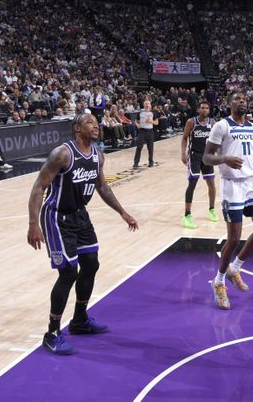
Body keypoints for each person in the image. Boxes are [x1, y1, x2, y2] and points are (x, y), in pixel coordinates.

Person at [27, 113, 139, 355]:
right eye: (89, 122)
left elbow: (102, 186)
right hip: (56, 216)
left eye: (96, 122)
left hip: (80, 215)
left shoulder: (98, 155)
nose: (96, 125)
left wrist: (123, 212)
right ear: (77, 128)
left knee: (91, 263)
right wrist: (33, 224)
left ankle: (79, 320)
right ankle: (53, 332)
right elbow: (39, 186)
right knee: (68, 273)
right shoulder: (63, 154)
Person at [203, 91, 253, 310]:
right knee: (233, 239)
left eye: (244, 99)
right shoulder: (221, 126)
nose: (242, 101)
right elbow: (206, 157)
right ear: (229, 103)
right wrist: (224, 158)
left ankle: (235, 267)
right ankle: (219, 281)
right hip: (232, 186)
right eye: (237, 99)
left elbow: (251, 155)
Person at [181, 100, 219, 228]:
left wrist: (219, 155)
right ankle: (187, 215)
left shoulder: (213, 123)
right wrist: (183, 153)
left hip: (207, 156)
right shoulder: (191, 122)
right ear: (198, 110)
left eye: (207, 108)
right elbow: (184, 137)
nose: (205, 110)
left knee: (211, 184)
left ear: (209, 110)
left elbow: (217, 141)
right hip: (194, 155)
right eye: (202, 108)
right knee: (193, 183)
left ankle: (212, 209)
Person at [133, 100, 158, 168]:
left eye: (148, 104)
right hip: (142, 131)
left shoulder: (153, 113)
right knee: (139, 146)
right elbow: (136, 120)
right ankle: (136, 162)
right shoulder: (140, 112)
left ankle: (151, 161)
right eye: (146, 104)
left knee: (150, 148)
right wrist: (137, 124)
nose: (147, 105)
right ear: (144, 105)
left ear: (150, 105)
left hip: (150, 131)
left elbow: (157, 122)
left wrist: (151, 121)